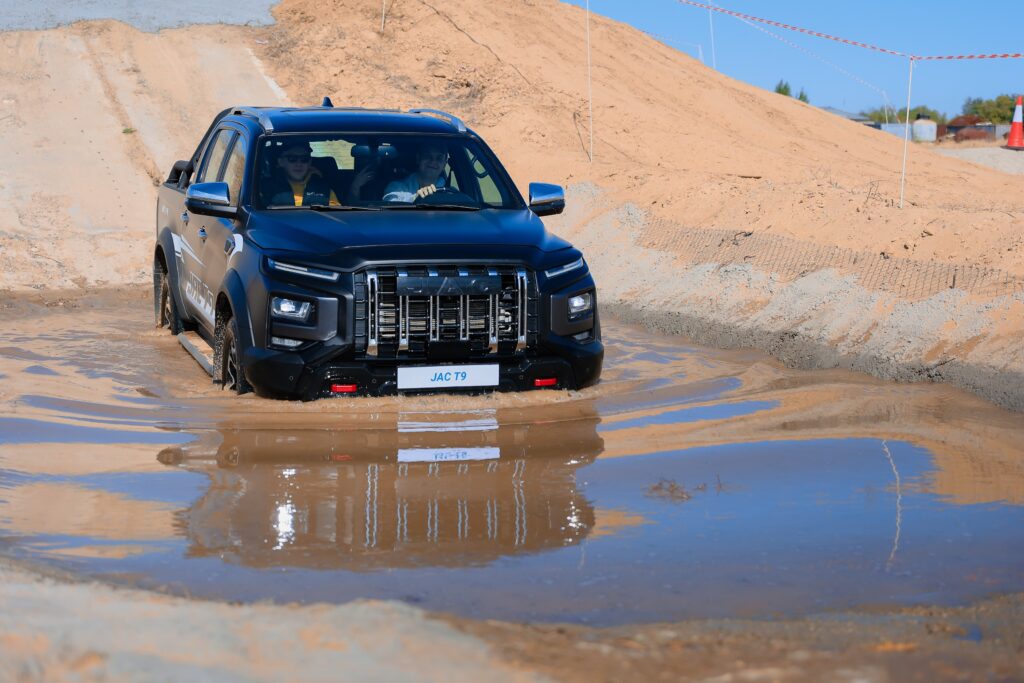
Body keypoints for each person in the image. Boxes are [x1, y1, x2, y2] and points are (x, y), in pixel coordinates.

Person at [262, 140, 339, 207]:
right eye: (292, 159)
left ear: (310, 162)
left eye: (304, 159)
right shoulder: (264, 189)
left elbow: (336, 215)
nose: (299, 164)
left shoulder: (325, 190)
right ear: (281, 162)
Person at [373, 142, 449, 203]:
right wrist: (415, 198)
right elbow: (389, 209)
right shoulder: (396, 187)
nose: (433, 161)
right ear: (418, 159)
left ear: (445, 163)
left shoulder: (450, 192)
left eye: (439, 158)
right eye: (427, 156)